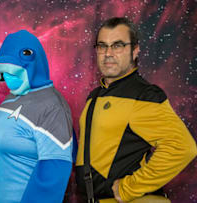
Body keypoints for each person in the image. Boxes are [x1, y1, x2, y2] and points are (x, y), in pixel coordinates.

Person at [75, 17, 197, 202]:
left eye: (118, 46)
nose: (108, 53)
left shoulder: (144, 95)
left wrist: (128, 188)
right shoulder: (95, 95)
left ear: (135, 51)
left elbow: (183, 147)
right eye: (102, 46)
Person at [0, 30, 73, 203]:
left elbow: (55, 171)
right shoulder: (14, 95)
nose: (8, 76)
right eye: (5, 70)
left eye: (14, 71)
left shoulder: (52, 105)